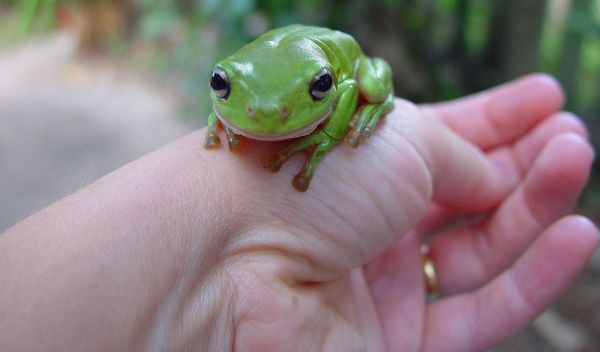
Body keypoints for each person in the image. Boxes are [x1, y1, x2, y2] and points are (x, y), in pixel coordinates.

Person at [0, 74, 597, 351]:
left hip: (338, 68)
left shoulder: (330, 81)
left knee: (367, 86)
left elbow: (349, 84)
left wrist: (336, 128)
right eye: (223, 88)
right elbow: (238, 91)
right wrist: (221, 119)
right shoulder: (239, 95)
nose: (263, 113)